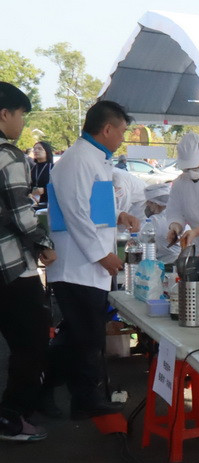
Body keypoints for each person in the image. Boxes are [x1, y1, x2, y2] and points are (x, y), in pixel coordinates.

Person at [46, 100, 142, 419]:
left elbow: (94, 208)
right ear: (107, 129)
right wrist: (103, 256)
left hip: (87, 266)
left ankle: (52, 387)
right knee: (85, 336)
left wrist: (120, 214)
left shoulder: (97, 160)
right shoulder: (77, 160)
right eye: (122, 132)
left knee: (81, 334)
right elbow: (76, 214)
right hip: (77, 266)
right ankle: (77, 394)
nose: (122, 138)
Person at [0, 82, 55, 441]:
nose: (21, 123)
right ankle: (12, 417)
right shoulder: (9, 155)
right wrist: (44, 243)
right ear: (5, 114)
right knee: (32, 340)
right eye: (20, 115)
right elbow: (23, 216)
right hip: (9, 267)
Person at [29, 140, 53, 211]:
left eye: (39, 149)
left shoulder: (52, 168)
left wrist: (44, 190)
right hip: (34, 204)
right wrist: (29, 193)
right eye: (35, 149)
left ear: (47, 151)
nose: (36, 151)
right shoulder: (32, 168)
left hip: (48, 204)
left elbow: (59, 186)